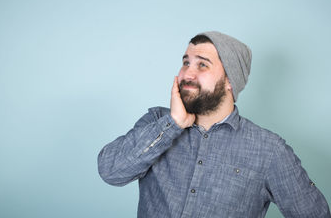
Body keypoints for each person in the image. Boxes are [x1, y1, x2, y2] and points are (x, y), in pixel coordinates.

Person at [98, 31, 330, 217]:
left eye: (202, 65)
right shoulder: (157, 122)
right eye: (185, 62)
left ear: (230, 80)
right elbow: (110, 172)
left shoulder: (269, 150)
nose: (187, 73)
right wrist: (173, 124)